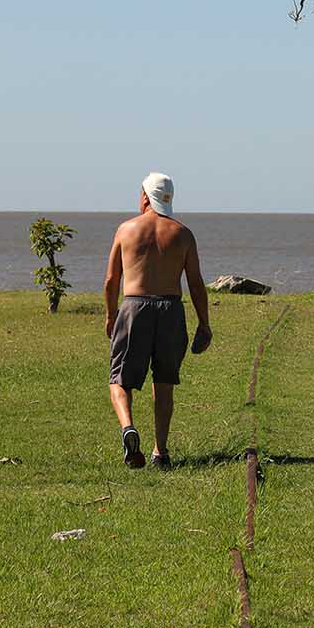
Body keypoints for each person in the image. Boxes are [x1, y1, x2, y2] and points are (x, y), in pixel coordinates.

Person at [104, 172, 212, 469]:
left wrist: (111, 314)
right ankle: (160, 452)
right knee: (164, 384)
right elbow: (196, 283)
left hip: (134, 306)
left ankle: (128, 427)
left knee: (119, 380)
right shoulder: (183, 234)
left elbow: (112, 278)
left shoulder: (126, 230)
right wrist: (204, 324)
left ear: (144, 197)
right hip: (170, 310)